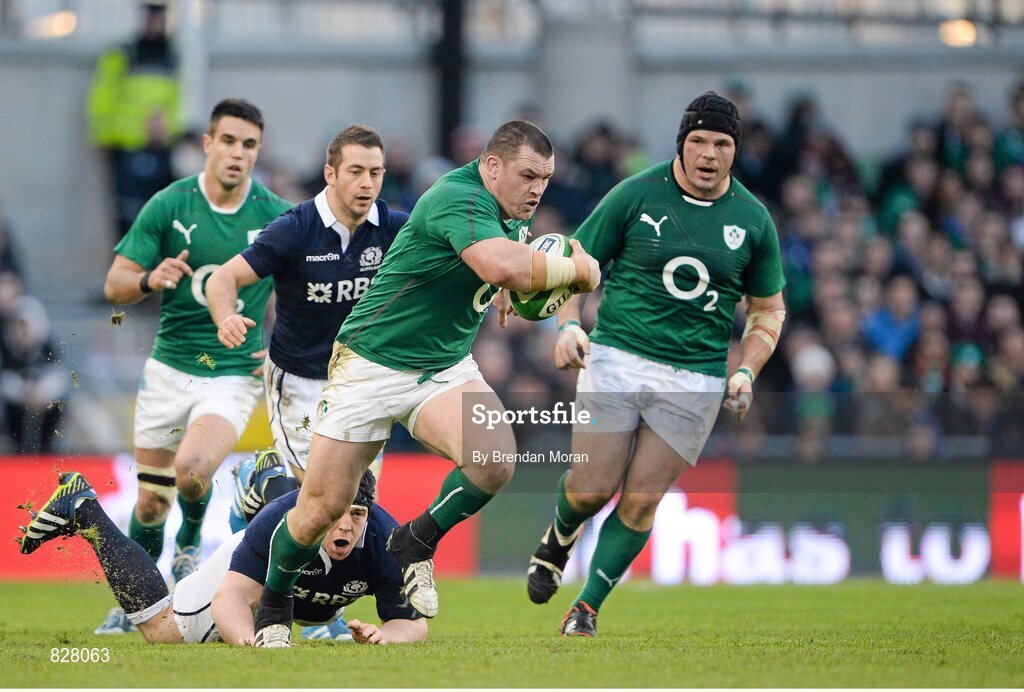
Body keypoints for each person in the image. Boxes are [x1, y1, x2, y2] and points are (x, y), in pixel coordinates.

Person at [250, 120, 603, 648]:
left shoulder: (513, 216)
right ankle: (274, 601)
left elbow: (545, 268)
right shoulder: (457, 197)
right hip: (370, 363)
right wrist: (581, 272)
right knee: (321, 506)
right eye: (528, 175)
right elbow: (505, 264)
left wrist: (568, 311)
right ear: (491, 167)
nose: (537, 189)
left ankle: (414, 541)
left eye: (546, 179)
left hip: (442, 367)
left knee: (494, 460)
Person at [526, 92, 787, 636]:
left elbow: (768, 311)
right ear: (682, 143)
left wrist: (747, 370)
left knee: (642, 500)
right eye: (699, 141)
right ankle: (559, 535)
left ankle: (587, 608)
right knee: (593, 488)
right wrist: (569, 324)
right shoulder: (636, 194)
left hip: (696, 377)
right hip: (618, 357)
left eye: (721, 144)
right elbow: (574, 263)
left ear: (735, 151)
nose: (709, 154)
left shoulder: (754, 221)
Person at [100, 98, 293, 633]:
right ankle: (136, 604)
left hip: (231, 374)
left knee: (191, 471)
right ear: (207, 144)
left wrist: (283, 345)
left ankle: (190, 541)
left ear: (258, 151)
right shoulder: (168, 205)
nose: (237, 153)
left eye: (249, 144)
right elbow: (114, 283)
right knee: (147, 506)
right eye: (228, 141)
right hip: (168, 368)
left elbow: (305, 291)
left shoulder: (276, 216)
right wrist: (147, 280)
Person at [206, 125, 409, 498]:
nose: (367, 183)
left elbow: (455, 253)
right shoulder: (294, 230)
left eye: (375, 173)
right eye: (355, 171)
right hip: (300, 380)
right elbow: (221, 280)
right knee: (320, 494)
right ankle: (255, 491)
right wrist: (227, 318)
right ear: (330, 174)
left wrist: (495, 287)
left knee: (358, 499)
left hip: (362, 381)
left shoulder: (395, 228)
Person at [18, 470, 426, 646]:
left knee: (319, 617)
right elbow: (231, 598)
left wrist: (383, 636)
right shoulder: (277, 524)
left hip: (307, 603)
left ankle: (261, 475)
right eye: (336, 514)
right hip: (253, 581)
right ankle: (85, 509)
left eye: (357, 515)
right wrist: (247, 639)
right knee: (164, 632)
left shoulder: (386, 540)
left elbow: (412, 624)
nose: (345, 527)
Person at [86, 1, 181, 241]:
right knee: (127, 213)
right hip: (126, 145)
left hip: (158, 146)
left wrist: (168, 130)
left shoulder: (171, 55)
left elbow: (178, 100)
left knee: (160, 212)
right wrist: (105, 137)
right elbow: (103, 97)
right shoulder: (123, 53)